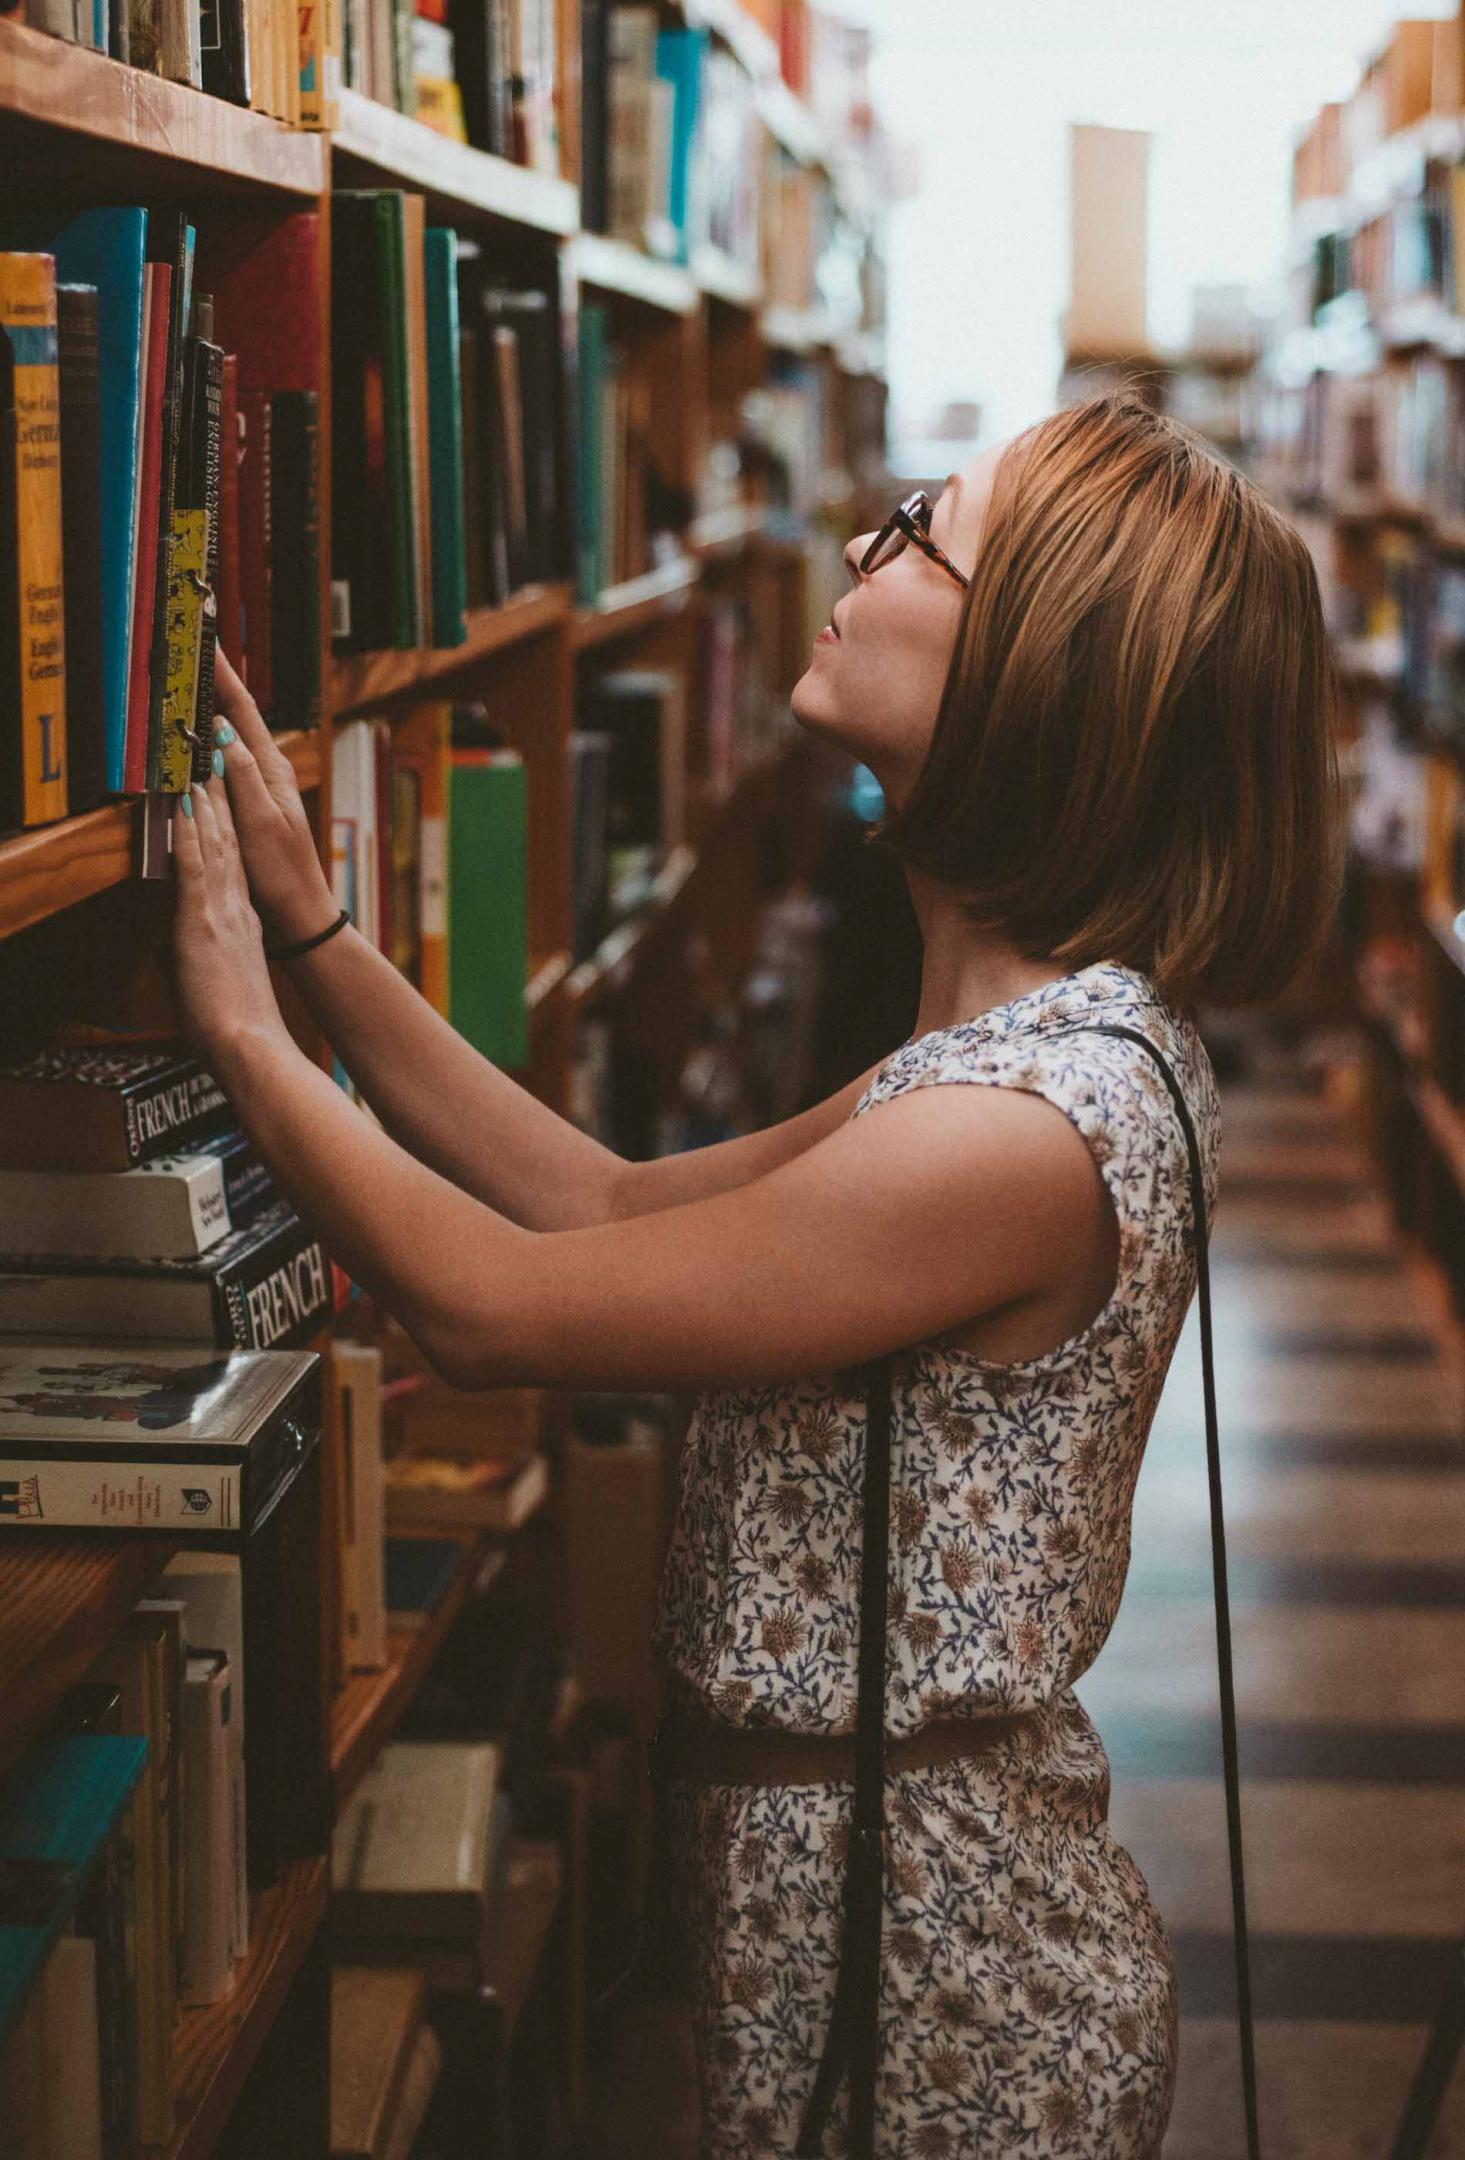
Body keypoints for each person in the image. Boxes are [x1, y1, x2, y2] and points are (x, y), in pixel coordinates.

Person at [171, 390, 1342, 2157]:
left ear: (1033, 677)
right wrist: (320, 948)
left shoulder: (1020, 1127)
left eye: (920, 530)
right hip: (857, 1910)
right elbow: (601, 1203)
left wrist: (240, 1037)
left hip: (948, 1982)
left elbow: (492, 1309)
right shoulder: (1013, 1052)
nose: (860, 549)